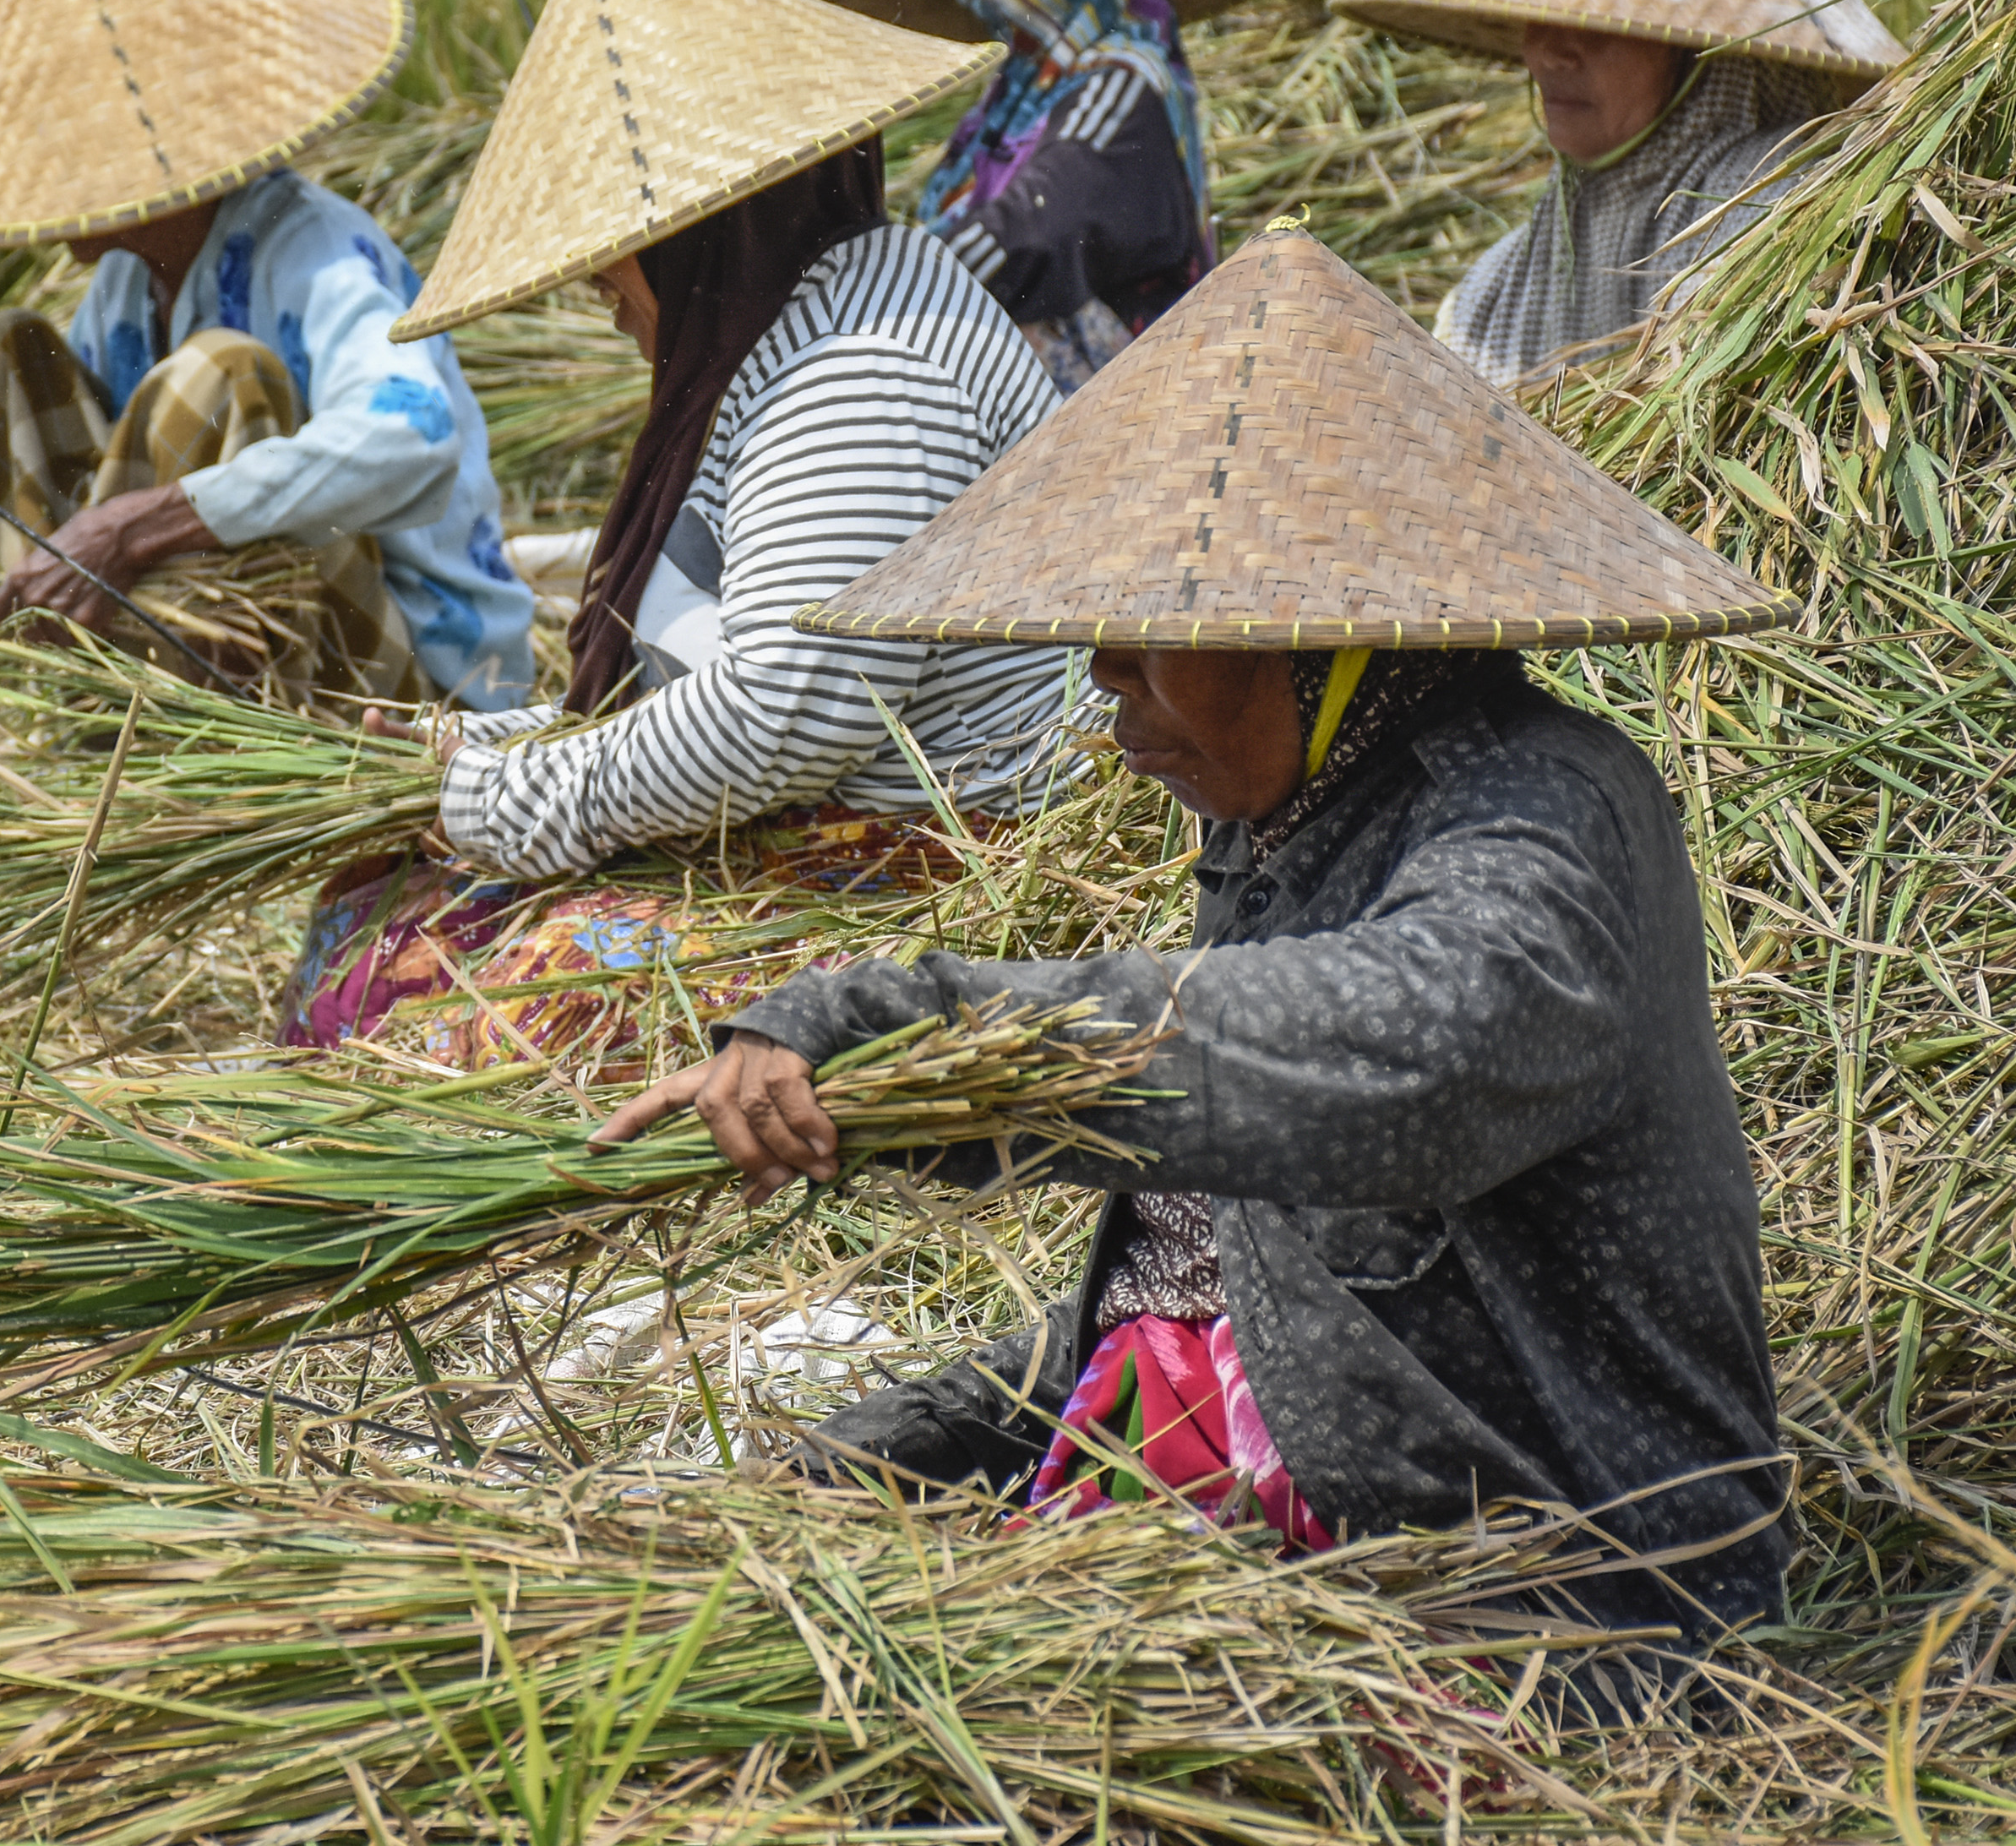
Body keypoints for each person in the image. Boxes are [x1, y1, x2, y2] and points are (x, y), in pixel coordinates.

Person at [599, 225, 1797, 1670]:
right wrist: (867, 1458)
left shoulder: (1542, 821)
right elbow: (1211, 1280)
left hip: (1557, 1607)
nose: (1108, 694)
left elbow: (1380, 1056)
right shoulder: (1293, 814)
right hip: (1308, 1546)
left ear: (1316, 633)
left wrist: (900, 1021)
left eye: (1149, 630)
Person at [281, 0, 1068, 1065]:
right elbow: (703, 684)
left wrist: (508, 795)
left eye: (616, 246)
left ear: (710, 228)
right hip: (800, 821)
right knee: (380, 895)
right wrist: (466, 750)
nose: (596, 283)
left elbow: (781, 718)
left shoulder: (862, 371)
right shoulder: (776, 337)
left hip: (921, 874)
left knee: (525, 988)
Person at [0, 0, 530, 706]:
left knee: (223, 377)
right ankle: (30, 672)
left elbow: (409, 440)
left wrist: (143, 524)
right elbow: (78, 498)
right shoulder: (128, 287)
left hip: (405, 690)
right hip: (204, 646)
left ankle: (176, 730)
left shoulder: (313, 249)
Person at [776, 0, 1316, 394]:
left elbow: (1033, 236)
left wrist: (862, 293)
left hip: (1129, 428)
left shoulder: (1126, 82)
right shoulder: (1004, 104)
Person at [1332, 0, 1907, 388]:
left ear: (1698, 53)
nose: (1546, 55)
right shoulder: (1490, 300)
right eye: (1538, 17)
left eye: (1598, 24)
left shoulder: (1773, 209)